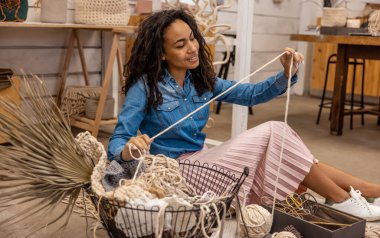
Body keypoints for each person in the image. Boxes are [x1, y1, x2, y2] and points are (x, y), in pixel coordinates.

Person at [107, 9, 380, 221]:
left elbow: (251, 94)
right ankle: (343, 199)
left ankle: (367, 190)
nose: (192, 47)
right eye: (180, 44)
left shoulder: (202, 80)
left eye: (192, 38)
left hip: (201, 161)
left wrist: (286, 74)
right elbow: (117, 142)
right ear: (162, 54)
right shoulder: (144, 87)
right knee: (275, 131)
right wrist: (130, 149)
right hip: (178, 177)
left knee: (282, 145)